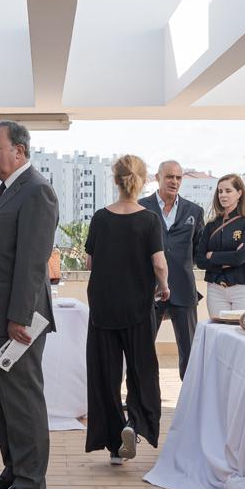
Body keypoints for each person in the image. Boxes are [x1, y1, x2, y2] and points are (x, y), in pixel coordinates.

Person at [0, 120, 59, 489]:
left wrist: (19, 318)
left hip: (17, 320)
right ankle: (13, 471)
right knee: (4, 400)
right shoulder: (9, 190)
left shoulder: (36, 192)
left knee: (22, 400)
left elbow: (31, 264)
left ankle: (31, 481)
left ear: (19, 151)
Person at [84, 155, 168, 466]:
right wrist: (165, 286)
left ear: (115, 180)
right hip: (136, 307)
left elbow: (90, 263)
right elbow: (159, 262)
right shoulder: (149, 220)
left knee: (106, 375)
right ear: (143, 181)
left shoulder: (100, 218)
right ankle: (135, 424)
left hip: (104, 307)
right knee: (141, 370)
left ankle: (113, 443)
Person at [142, 161, 204, 378]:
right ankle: (142, 402)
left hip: (184, 290)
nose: (174, 181)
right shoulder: (141, 208)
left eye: (178, 178)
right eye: (169, 177)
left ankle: (190, 405)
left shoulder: (194, 211)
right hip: (148, 291)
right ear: (158, 177)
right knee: (142, 349)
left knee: (190, 352)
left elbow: (198, 251)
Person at [196, 174, 245, 314]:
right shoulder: (211, 225)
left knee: (243, 332)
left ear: (239, 193)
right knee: (218, 332)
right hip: (215, 290)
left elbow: (240, 257)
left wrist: (212, 256)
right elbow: (200, 260)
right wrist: (228, 259)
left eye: (228, 191)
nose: (223, 195)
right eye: (220, 191)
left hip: (243, 288)